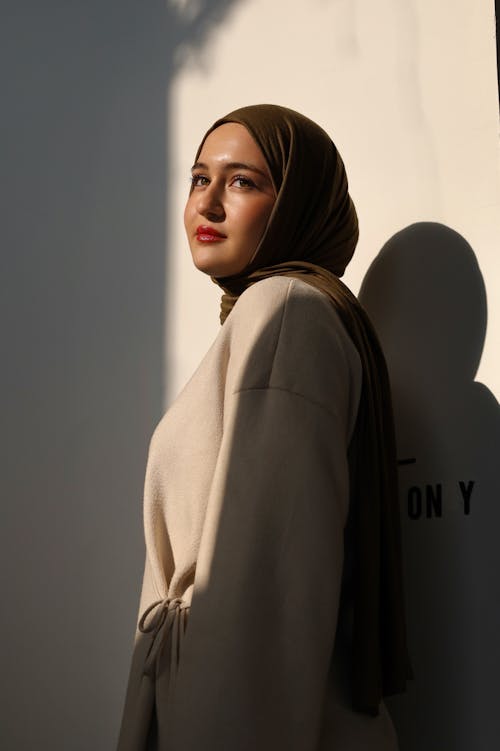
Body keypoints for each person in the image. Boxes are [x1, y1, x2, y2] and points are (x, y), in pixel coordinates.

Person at [116, 104, 411, 751]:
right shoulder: (275, 315)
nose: (210, 202)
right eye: (199, 179)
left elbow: (264, 591)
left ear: (297, 202)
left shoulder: (284, 311)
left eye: (244, 181)